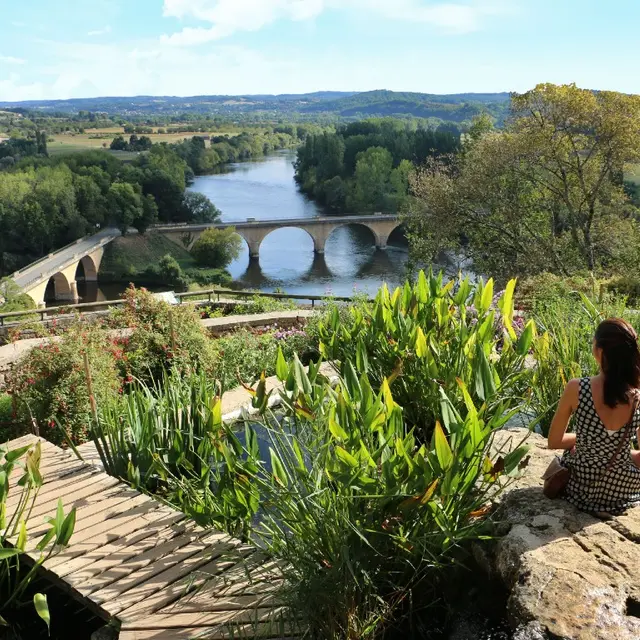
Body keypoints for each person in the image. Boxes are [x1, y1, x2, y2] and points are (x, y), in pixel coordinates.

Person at [547, 318, 640, 515]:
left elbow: (554, 441)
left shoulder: (577, 388)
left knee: (567, 456)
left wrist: (587, 441)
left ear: (599, 351)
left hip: (581, 486)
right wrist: (616, 450)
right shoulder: (638, 396)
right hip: (620, 488)